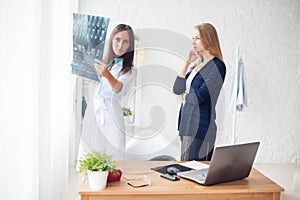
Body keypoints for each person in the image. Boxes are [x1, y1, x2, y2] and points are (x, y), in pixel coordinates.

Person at [77, 24, 137, 168]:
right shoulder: (101, 62)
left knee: (112, 159)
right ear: (111, 40)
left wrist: (105, 74)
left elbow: (119, 89)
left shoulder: (130, 70)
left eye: (125, 42)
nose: (120, 45)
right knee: (89, 157)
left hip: (111, 116)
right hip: (93, 112)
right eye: (117, 39)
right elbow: (89, 83)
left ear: (130, 45)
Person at [173, 23, 226, 161]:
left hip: (202, 127)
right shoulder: (196, 65)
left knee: (196, 172)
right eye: (193, 38)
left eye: (197, 38)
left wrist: (184, 96)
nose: (193, 42)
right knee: (185, 170)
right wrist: (187, 62)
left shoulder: (217, 66)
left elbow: (199, 97)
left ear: (208, 39)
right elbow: (177, 89)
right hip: (187, 125)